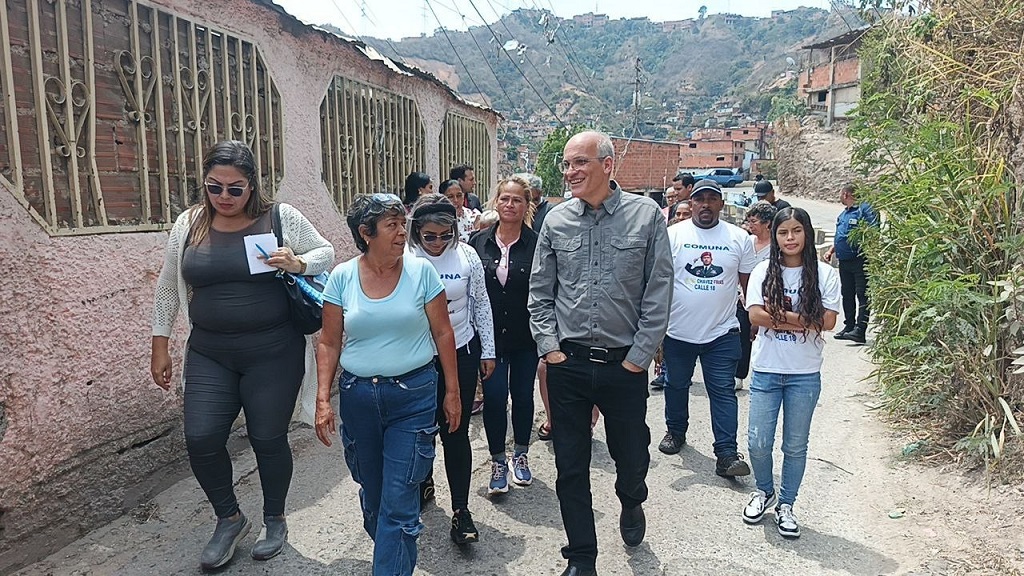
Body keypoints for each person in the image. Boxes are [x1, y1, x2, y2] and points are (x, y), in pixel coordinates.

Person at [150, 140, 335, 570]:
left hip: (274, 352)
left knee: (267, 438)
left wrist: (297, 262)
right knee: (200, 438)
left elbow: (324, 251)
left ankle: (275, 519)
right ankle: (229, 518)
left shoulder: (280, 217)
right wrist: (160, 342)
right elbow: (167, 284)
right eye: (215, 187)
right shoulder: (189, 224)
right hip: (210, 352)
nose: (224, 197)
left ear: (252, 185)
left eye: (235, 189)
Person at [529, 131, 672, 576]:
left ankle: (632, 499)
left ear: (607, 165)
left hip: (623, 366)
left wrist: (638, 358)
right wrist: (551, 350)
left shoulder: (646, 217)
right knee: (570, 466)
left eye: (579, 163)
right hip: (568, 365)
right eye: (566, 164)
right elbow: (540, 293)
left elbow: (659, 292)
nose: (569, 172)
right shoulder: (556, 221)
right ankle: (582, 558)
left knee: (631, 456)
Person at [313, 193, 461, 576]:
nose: (401, 233)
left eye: (402, 224)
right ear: (366, 233)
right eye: (392, 225)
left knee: (398, 503)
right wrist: (322, 399)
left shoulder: (422, 272)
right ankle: (394, 561)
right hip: (359, 398)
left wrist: (453, 392)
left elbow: (443, 333)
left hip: (413, 397)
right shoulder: (342, 277)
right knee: (376, 500)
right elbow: (329, 342)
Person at [742, 207, 840, 539]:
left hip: (804, 374)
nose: (790, 238)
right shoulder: (763, 271)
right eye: (783, 232)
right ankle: (764, 490)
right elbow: (755, 316)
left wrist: (779, 317)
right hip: (766, 371)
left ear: (807, 233)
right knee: (758, 442)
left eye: (797, 231)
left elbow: (828, 322)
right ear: (776, 236)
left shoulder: (825, 274)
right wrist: (805, 320)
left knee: (795, 446)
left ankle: (786, 504)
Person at [406, 193, 495, 542]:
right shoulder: (403, 256)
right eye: (429, 236)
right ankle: (423, 483)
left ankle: (461, 510)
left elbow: (481, 303)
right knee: (419, 428)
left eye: (446, 235)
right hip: (416, 356)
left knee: (455, 429)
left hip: (460, 350)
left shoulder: (467, 255)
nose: (438, 243)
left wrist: (488, 350)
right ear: (416, 231)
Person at [658, 179, 757, 480]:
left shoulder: (739, 238)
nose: (705, 204)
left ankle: (727, 454)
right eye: (700, 199)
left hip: (722, 333)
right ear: (692, 203)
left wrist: (753, 319)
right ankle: (676, 431)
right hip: (678, 332)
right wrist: (656, 329)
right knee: (676, 385)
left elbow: (749, 285)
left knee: (723, 391)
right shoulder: (673, 235)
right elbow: (659, 282)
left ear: (721, 204)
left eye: (712, 199)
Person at [467, 175, 539, 495]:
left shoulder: (537, 243)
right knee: (495, 398)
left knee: (523, 397)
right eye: (505, 199)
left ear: (527, 205)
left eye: (517, 200)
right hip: (489, 340)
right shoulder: (477, 242)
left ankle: (520, 455)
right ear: (496, 202)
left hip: (525, 337)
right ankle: (498, 460)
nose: (510, 205)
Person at [824, 183, 879, 344]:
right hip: (844, 261)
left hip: (860, 259)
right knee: (847, 294)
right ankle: (849, 326)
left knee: (862, 294)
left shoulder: (864, 209)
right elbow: (841, 235)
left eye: (840, 194)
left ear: (846, 194)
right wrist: (831, 250)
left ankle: (860, 330)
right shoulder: (844, 214)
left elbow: (873, 231)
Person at [735, 201, 777, 389]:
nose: (750, 225)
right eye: (749, 221)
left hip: (768, 299)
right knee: (742, 335)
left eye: (754, 221)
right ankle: (739, 375)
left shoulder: (776, 246)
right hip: (743, 297)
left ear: (767, 223)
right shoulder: (746, 242)